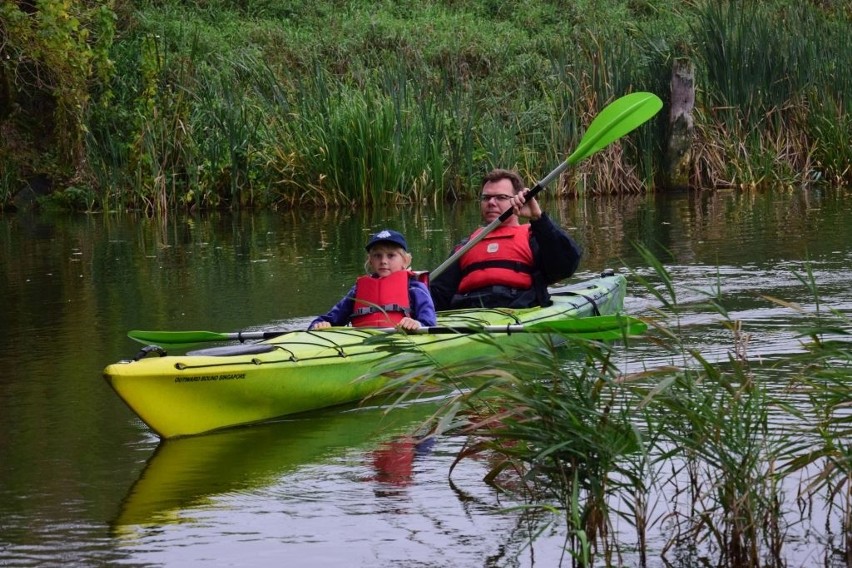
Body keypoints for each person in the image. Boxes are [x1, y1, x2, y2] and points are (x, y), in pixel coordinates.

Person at [429, 168, 582, 311]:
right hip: (469, 314)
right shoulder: (466, 246)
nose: (491, 202)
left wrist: (538, 218)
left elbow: (566, 266)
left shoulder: (535, 237)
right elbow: (438, 294)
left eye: (501, 197)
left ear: (517, 199)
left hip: (517, 311)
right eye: (486, 197)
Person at [308, 229, 437, 331]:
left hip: (402, 341)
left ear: (405, 260)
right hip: (364, 344)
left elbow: (429, 322)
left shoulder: (415, 287)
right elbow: (330, 318)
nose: (383, 261)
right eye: (377, 256)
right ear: (370, 261)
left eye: (391, 255)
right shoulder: (357, 290)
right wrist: (321, 324)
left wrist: (417, 324)